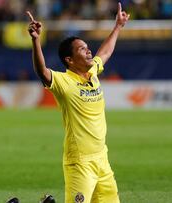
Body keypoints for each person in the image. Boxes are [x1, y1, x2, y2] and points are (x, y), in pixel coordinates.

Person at [27, 2, 129, 202]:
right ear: (70, 60)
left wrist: (118, 26)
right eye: (82, 49)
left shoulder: (92, 72)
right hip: (80, 162)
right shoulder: (64, 82)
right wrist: (36, 41)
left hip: (102, 158)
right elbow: (42, 72)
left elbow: (105, 53)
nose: (88, 51)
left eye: (87, 47)